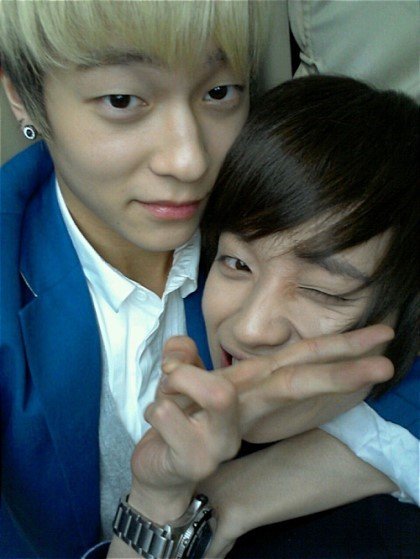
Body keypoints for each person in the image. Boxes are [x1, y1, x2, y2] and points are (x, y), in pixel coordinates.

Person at [0, 1, 404, 557]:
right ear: (23, 95)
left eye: (219, 92)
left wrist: (239, 493)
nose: (189, 161)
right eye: (122, 100)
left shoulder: (272, 198)